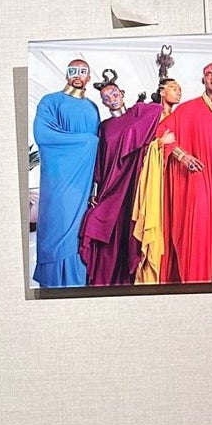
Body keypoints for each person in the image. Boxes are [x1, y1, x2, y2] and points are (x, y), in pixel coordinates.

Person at [151, 62, 212, 283]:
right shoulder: (188, 109)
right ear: (203, 80)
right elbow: (160, 132)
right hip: (199, 177)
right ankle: (195, 284)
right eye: (208, 74)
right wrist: (182, 156)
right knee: (198, 227)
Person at [76, 71, 163, 286]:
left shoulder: (138, 111)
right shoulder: (105, 127)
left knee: (129, 231)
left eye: (114, 94)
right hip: (111, 187)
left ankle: (128, 280)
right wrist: (94, 192)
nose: (111, 99)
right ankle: (105, 281)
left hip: (134, 182)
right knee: (99, 223)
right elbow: (100, 160)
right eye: (106, 98)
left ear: (122, 93)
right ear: (103, 103)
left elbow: (157, 110)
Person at [32, 58, 99, 287]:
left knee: (81, 229)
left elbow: (98, 151)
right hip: (59, 180)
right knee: (56, 225)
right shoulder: (51, 101)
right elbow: (43, 135)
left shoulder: (93, 108)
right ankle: (53, 283)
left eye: (83, 72)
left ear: (89, 77)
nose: (78, 75)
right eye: (73, 71)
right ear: (66, 74)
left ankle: (79, 281)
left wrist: (95, 187)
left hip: (84, 183)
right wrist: (87, 141)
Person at [131, 77, 182, 284]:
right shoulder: (152, 114)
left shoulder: (178, 117)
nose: (178, 92)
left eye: (179, 89)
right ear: (162, 91)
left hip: (175, 177)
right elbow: (140, 146)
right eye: (173, 88)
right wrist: (160, 142)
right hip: (156, 179)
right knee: (158, 222)